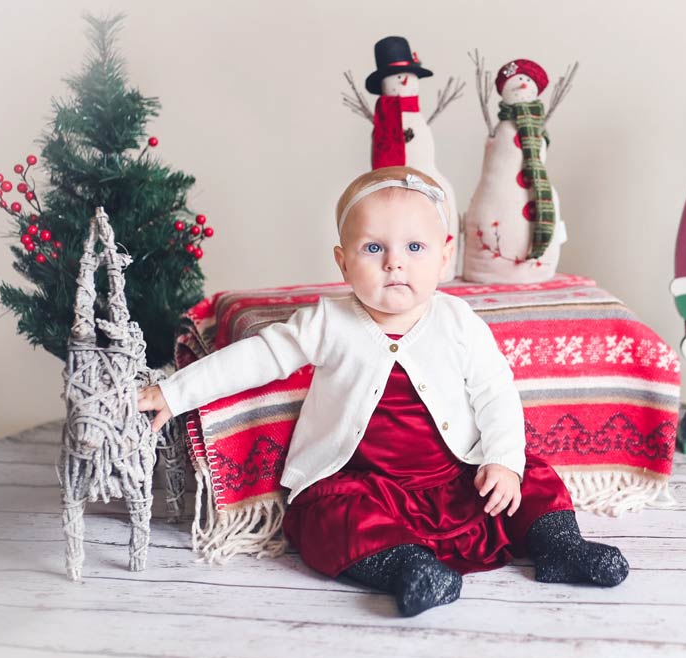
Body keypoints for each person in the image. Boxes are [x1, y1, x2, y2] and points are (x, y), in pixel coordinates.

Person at [138, 165, 628, 616]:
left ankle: (560, 548)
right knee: (327, 520)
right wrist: (174, 393)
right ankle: (407, 570)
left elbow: (496, 392)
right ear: (344, 262)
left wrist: (502, 459)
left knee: (532, 476)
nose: (396, 264)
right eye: (374, 249)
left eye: (414, 248)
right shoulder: (329, 321)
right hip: (363, 483)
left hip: (454, 476)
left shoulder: (457, 321)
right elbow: (260, 356)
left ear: (444, 256)